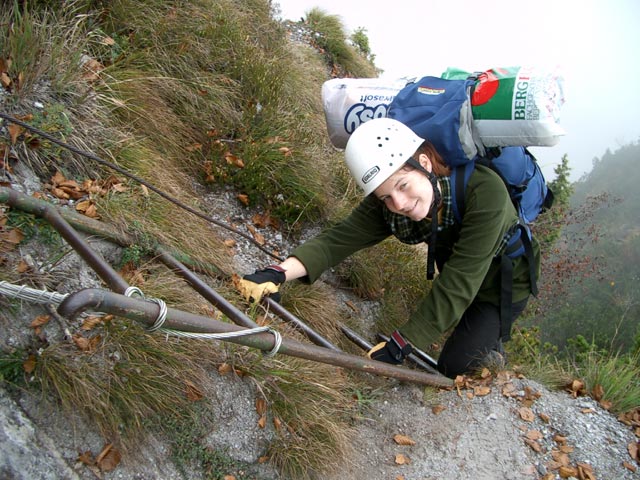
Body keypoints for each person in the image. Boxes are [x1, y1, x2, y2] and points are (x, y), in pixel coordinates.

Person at [237, 117, 539, 378]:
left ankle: (495, 350)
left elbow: (462, 279)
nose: (399, 204)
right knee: (461, 321)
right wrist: (277, 272)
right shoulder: (390, 201)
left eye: (404, 186)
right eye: (385, 197)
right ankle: (476, 332)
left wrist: (403, 342)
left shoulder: (486, 193)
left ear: (423, 163)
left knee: (454, 366)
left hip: (503, 283)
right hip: (462, 269)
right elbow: (339, 239)